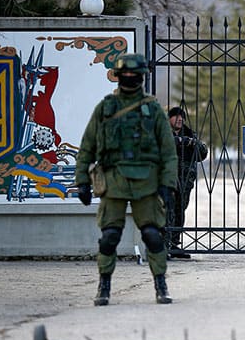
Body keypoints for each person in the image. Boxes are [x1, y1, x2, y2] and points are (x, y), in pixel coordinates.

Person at [75, 53, 178, 306]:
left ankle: (160, 283)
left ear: (142, 77)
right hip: (114, 180)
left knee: (153, 235)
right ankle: (104, 284)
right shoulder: (106, 108)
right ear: (119, 77)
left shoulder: (152, 109)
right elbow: (87, 146)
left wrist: (167, 184)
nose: (131, 79)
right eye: (127, 75)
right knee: (110, 236)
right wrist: (82, 181)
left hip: (147, 182)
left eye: (135, 75)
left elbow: (168, 151)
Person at [166, 106, 208, 259]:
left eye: (182, 117)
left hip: (185, 181)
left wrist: (190, 142)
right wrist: (177, 141)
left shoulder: (190, 134)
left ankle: (174, 244)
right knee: (167, 210)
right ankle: (165, 244)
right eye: (176, 116)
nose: (179, 119)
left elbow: (203, 152)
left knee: (179, 211)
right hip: (167, 179)